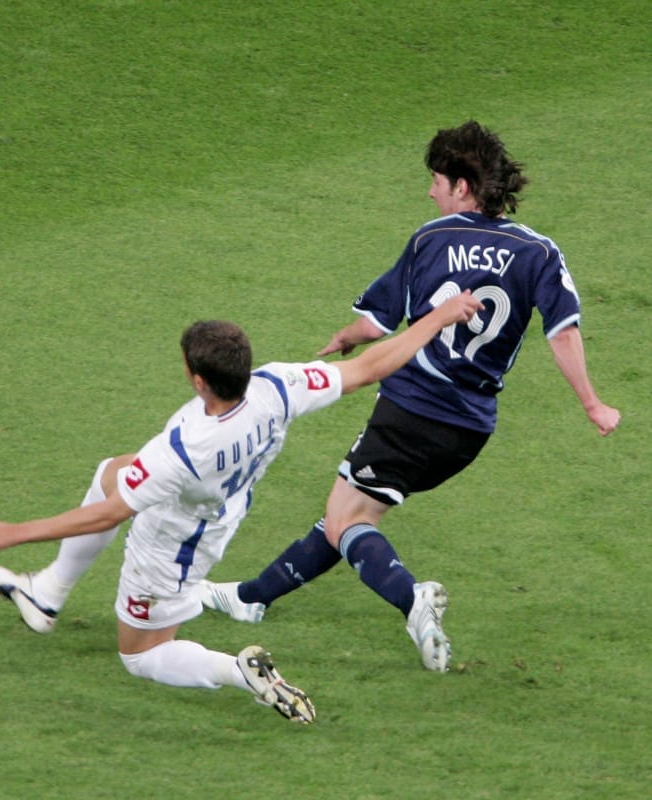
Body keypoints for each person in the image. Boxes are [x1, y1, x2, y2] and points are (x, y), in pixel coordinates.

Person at [198, 120, 621, 673]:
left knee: (347, 521)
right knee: (350, 508)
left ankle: (412, 601)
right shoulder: (538, 251)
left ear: (462, 187)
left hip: (412, 410)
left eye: (437, 181)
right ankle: (253, 597)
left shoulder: (431, 238)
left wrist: (345, 337)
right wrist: (592, 404)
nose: (430, 192)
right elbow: (563, 331)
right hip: (470, 431)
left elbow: (377, 322)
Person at [0, 296, 482, 723]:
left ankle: (239, 672)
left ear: (199, 381)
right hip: (220, 507)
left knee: (141, 655)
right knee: (113, 469)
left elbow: (107, 515)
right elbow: (367, 367)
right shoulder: (276, 387)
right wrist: (437, 317)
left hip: (171, 544)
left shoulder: (182, 449)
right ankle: (47, 593)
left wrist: (13, 532)